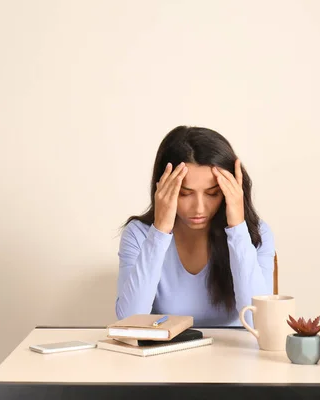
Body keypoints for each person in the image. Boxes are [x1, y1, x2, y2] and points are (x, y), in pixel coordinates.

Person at [115, 126, 275, 327]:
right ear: (162, 187)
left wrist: (237, 228)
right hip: (165, 355)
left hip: (235, 356)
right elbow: (129, 322)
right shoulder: (138, 234)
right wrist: (160, 230)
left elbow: (259, 323)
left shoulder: (255, 234)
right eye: (184, 193)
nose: (199, 208)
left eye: (213, 193)